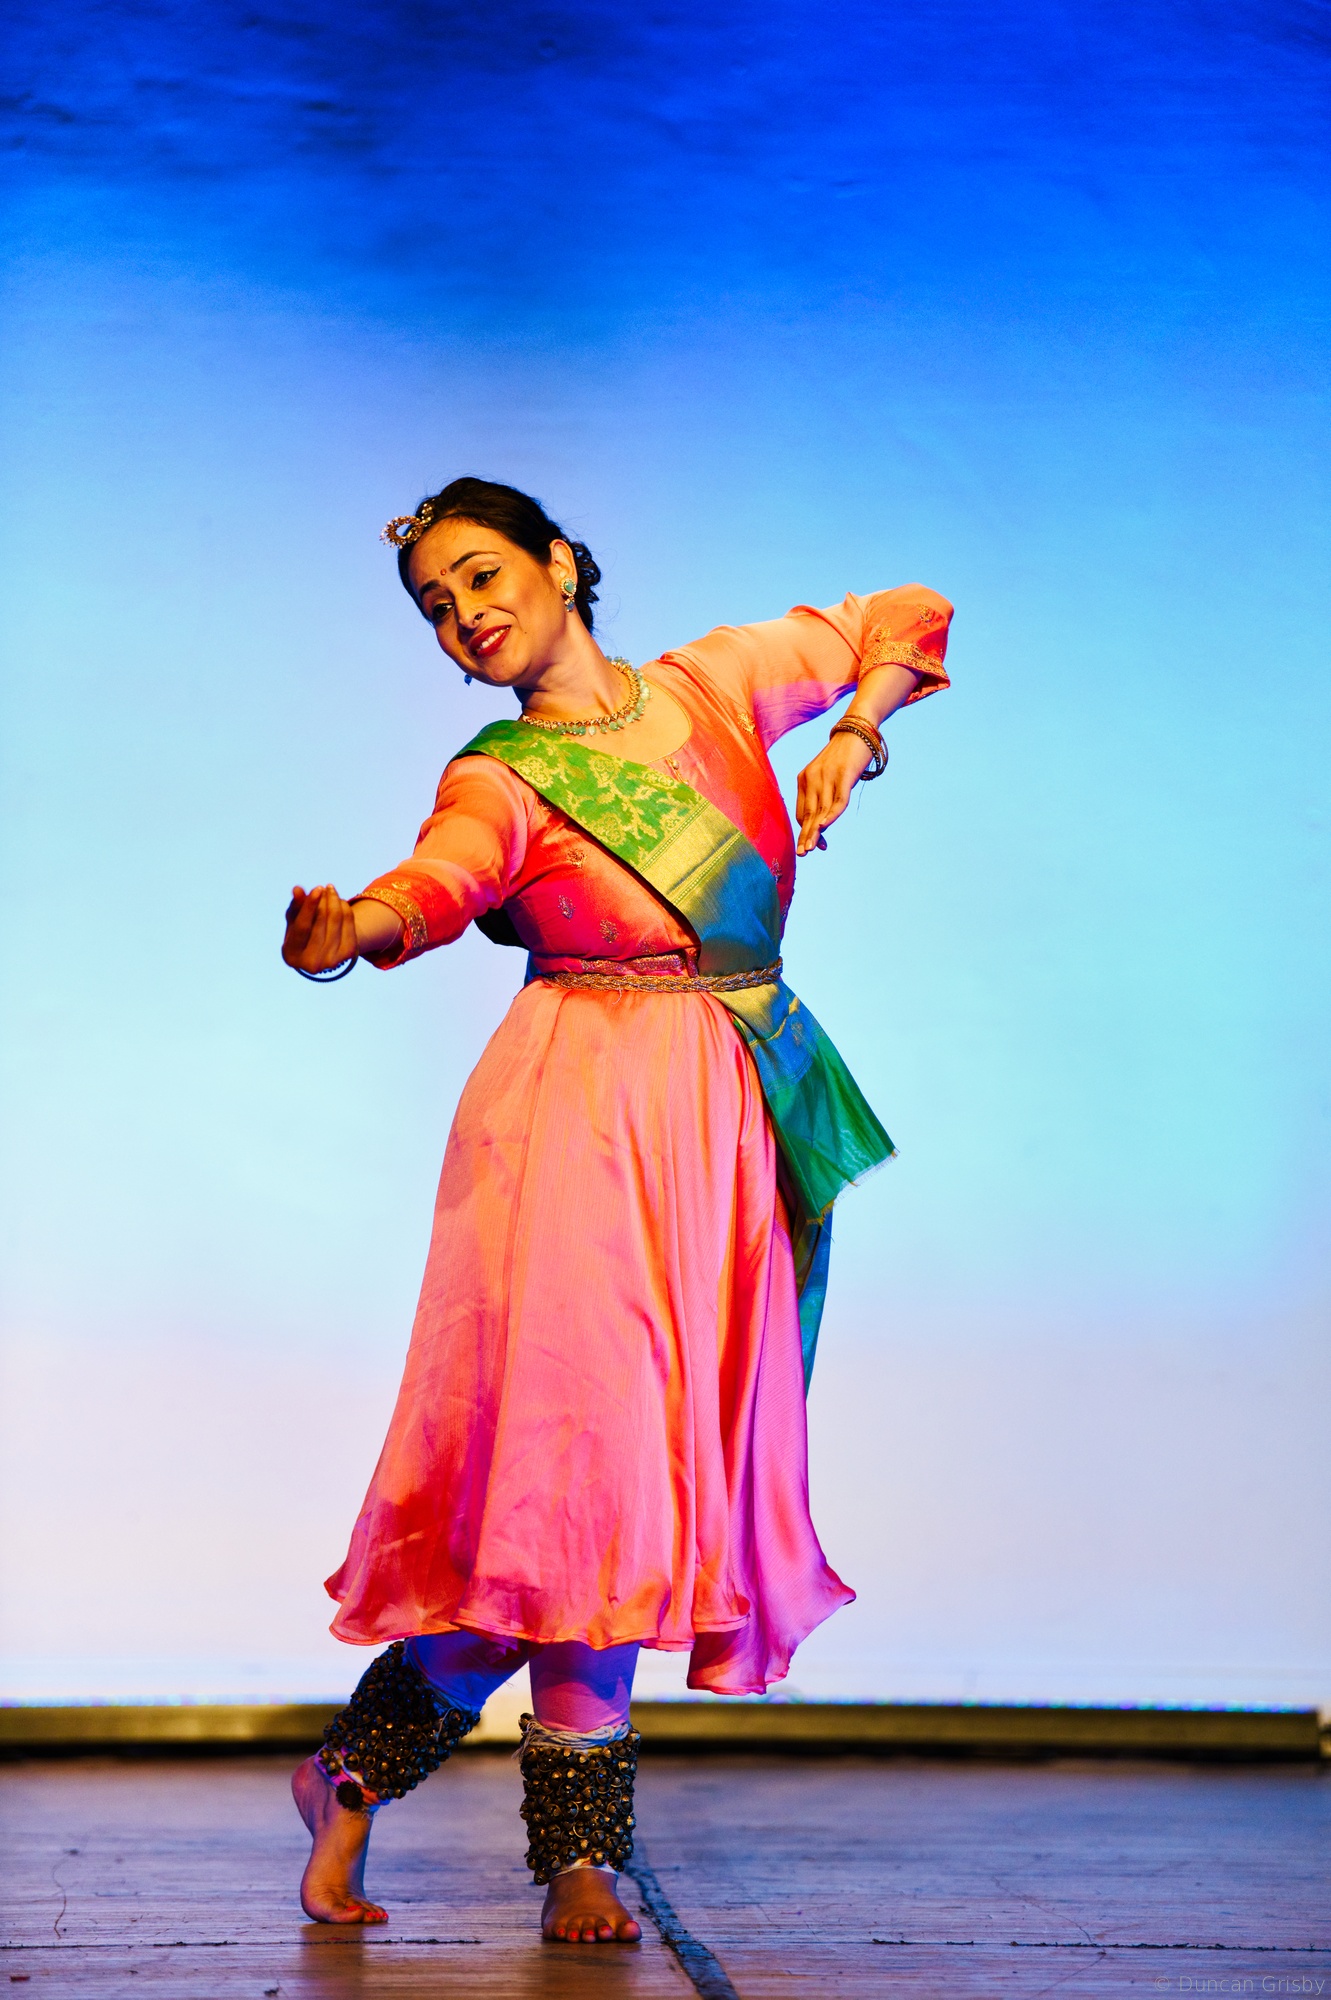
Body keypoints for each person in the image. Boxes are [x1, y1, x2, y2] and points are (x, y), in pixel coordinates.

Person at [283, 477, 951, 1943]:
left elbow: (901, 618)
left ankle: (351, 1775)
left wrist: (853, 734)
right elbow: (437, 883)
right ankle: (577, 1857)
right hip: (577, 1120)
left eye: (482, 575)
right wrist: (355, 931)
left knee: (644, 1494)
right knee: (584, 1491)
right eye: (437, 606)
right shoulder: (501, 776)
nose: (465, 613)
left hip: (724, 1110)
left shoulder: (714, 685)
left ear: (560, 562)